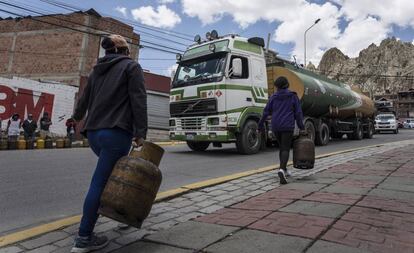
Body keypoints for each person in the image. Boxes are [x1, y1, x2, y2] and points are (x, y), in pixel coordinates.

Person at [70, 34, 147, 253]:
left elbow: (83, 100)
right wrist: (141, 132)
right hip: (116, 134)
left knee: (112, 175)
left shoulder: (96, 70)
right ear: (124, 51)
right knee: (100, 182)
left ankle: (121, 215)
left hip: (94, 134)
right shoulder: (131, 67)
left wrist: (76, 117)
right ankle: (84, 238)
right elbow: (139, 100)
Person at [258, 76, 305, 185]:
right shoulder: (292, 96)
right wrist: (302, 127)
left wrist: (259, 126)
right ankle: (282, 170)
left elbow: (265, 112)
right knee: (285, 148)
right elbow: (298, 113)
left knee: (281, 147)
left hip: (275, 126)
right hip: (287, 126)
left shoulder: (273, 97)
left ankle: (284, 169)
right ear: (287, 85)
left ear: (277, 87)